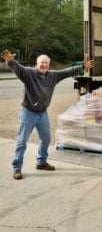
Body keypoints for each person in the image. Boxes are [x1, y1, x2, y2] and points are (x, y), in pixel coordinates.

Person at [0, 50, 95, 180]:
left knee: (46, 138)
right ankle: (17, 168)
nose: (44, 65)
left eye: (46, 63)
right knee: (22, 141)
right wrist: (11, 61)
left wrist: (83, 67)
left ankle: (41, 162)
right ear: (36, 64)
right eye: (41, 62)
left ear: (49, 65)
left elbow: (67, 72)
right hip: (28, 112)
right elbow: (18, 68)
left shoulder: (53, 76)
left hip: (42, 113)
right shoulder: (28, 73)